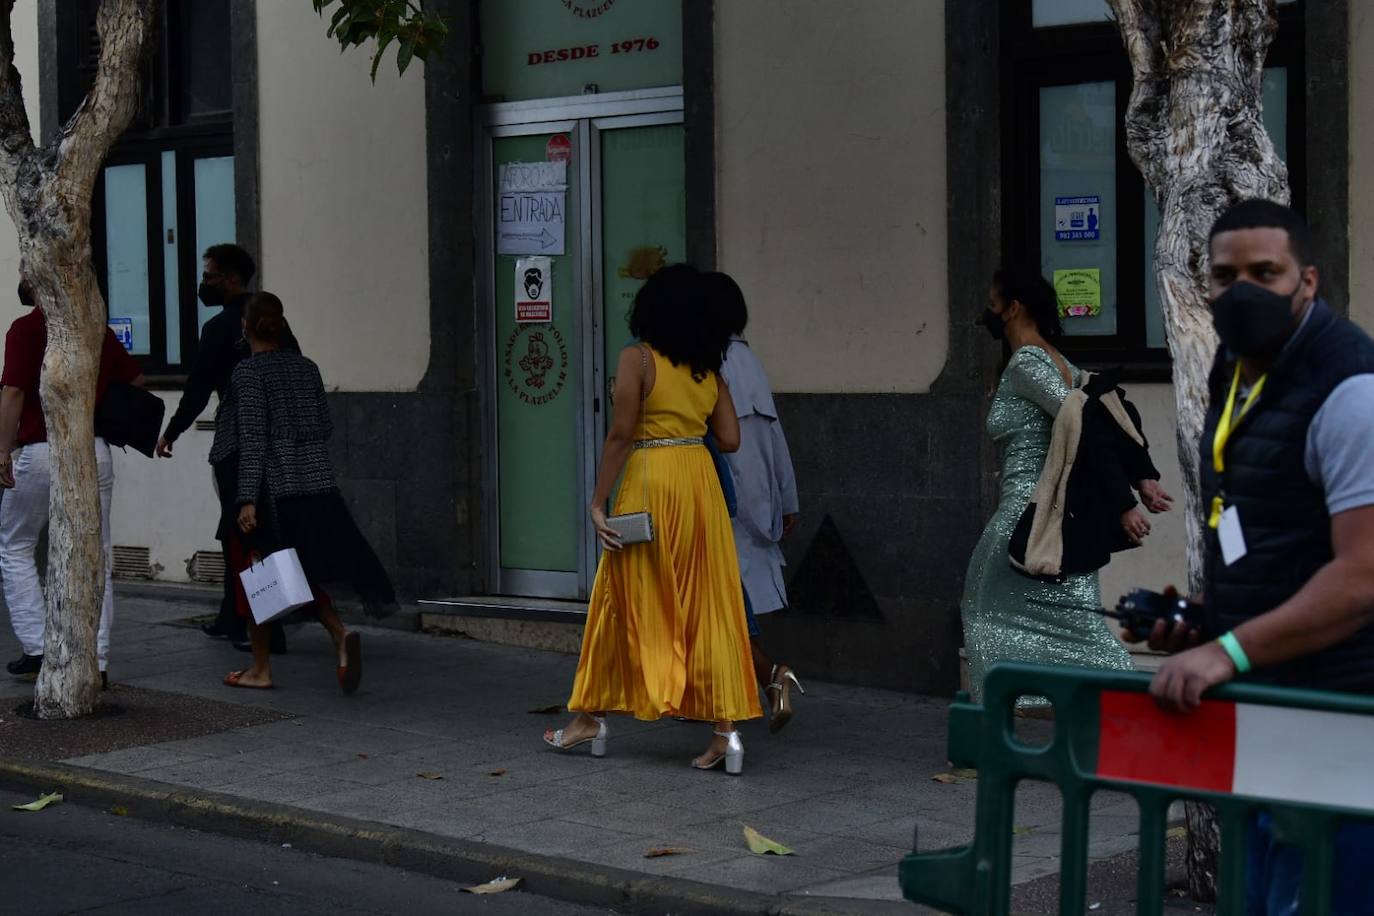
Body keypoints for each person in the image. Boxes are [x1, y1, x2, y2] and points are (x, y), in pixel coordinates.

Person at [1133, 200, 1374, 914]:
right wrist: (1210, 620)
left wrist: (1226, 653)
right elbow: (1280, 540)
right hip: (1274, 715)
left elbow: (1361, 579)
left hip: (1342, 723)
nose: (1243, 291)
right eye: (1225, 274)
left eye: (1265, 273)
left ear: (1308, 282)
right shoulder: (1236, 371)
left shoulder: (1350, 389)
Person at [543, 264, 762, 773]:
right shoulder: (710, 367)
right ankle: (726, 735)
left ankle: (589, 717)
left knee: (620, 595)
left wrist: (597, 502)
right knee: (710, 603)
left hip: (650, 478)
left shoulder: (637, 358)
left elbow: (620, 434)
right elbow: (730, 439)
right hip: (698, 482)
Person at [960, 269, 1171, 706]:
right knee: (1081, 623)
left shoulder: (1027, 364)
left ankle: (985, 738)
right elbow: (1108, 420)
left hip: (1028, 515)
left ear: (1013, 307)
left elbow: (1091, 426)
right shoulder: (1063, 364)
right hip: (1056, 519)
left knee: (982, 610)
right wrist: (1141, 478)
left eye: (993, 303)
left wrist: (1125, 502)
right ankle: (1122, 709)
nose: (988, 313)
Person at [221, 293, 394, 692]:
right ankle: (337, 636)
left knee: (259, 573)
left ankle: (261, 668)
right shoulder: (307, 368)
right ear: (281, 325)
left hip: (272, 489)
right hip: (315, 485)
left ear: (245, 328)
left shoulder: (248, 374)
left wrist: (246, 497)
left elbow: (252, 440)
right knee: (298, 569)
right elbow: (325, 426)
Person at [0, 278, 144, 685]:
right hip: (94, 449)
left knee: (15, 543)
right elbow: (135, 381)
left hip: (41, 447)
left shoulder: (26, 329)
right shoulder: (95, 328)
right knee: (97, 550)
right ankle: (96, 658)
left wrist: (1, 450)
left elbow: (11, 393)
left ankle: (37, 646)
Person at [156, 244, 297, 652]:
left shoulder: (222, 328)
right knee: (254, 529)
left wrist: (173, 430)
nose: (205, 284)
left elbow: (199, 387)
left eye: (211, 276)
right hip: (275, 442)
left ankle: (260, 626)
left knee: (244, 534)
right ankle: (231, 614)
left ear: (231, 279)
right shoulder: (275, 322)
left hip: (237, 444)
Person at [704, 271, 804, 733]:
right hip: (756, 503)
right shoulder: (752, 362)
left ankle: (766, 679)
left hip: (724, 502)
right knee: (725, 605)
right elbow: (775, 438)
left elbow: (728, 444)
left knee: (719, 606)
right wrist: (787, 499)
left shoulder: (711, 364)